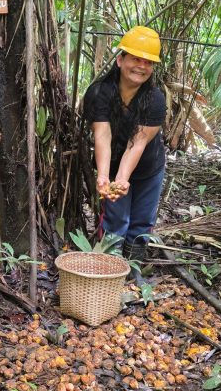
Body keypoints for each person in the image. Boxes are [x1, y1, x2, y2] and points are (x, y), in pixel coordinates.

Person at [83, 26, 167, 288]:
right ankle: (110, 270)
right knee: (117, 219)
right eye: (135, 59)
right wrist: (105, 178)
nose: (141, 66)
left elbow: (138, 143)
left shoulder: (155, 98)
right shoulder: (99, 93)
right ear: (120, 60)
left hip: (149, 167)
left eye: (148, 62)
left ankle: (132, 271)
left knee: (142, 221)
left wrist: (121, 180)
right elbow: (102, 136)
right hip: (113, 162)